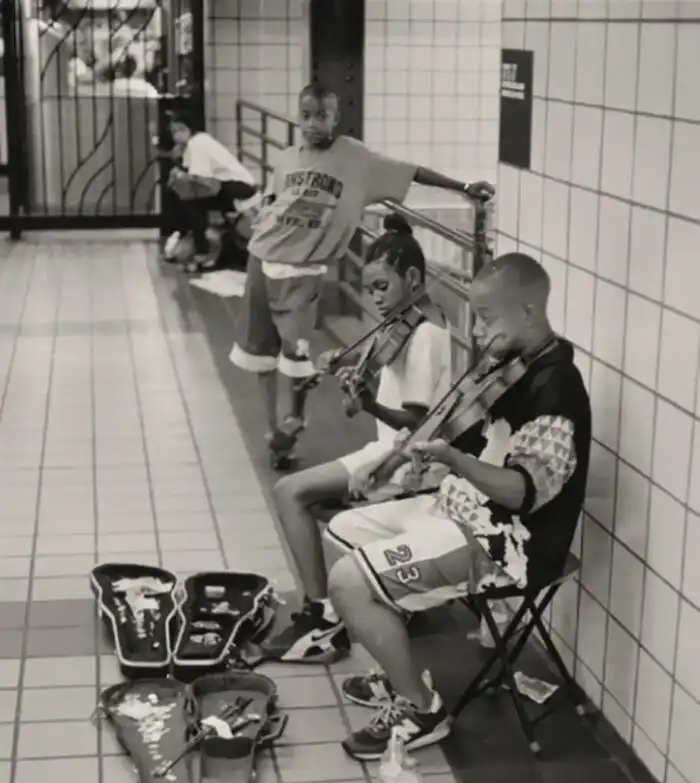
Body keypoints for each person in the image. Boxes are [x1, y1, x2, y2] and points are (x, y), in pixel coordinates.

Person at [319, 253, 591, 761]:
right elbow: (450, 428)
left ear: (529, 311)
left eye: (486, 317)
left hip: (510, 544)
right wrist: (390, 462)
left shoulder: (556, 387)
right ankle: (395, 666)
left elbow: (522, 492)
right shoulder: (508, 364)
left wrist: (453, 461)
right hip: (463, 509)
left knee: (348, 582)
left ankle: (422, 709)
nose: (478, 330)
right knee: (341, 530)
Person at [229, 80, 494, 468]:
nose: (312, 124)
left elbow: (411, 171)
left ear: (336, 118)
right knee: (259, 352)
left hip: (303, 270)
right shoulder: (285, 159)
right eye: (306, 116)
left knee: (296, 351)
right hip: (261, 259)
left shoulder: (354, 158)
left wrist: (464, 187)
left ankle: (293, 420)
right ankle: (274, 433)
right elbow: (274, 202)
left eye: (321, 116)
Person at [264, 212, 453, 662]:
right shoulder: (409, 320)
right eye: (370, 290)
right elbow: (381, 367)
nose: (376, 298)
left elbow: (416, 423)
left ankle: (322, 616)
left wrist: (367, 404)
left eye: (382, 287)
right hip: (388, 451)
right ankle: (358, 598)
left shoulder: (426, 335)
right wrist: (348, 367)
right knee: (303, 497)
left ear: (412, 278)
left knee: (289, 492)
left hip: (405, 461)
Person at [167, 112, 259, 271]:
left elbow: (198, 178)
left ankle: (202, 250)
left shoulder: (197, 142)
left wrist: (178, 174)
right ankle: (200, 246)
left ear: (188, 129)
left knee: (191, 203)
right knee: (191, 201)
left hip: (239, 188)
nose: (176, 135)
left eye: (180, 130)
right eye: (173, 132)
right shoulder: (194, 143)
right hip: (232, 186)